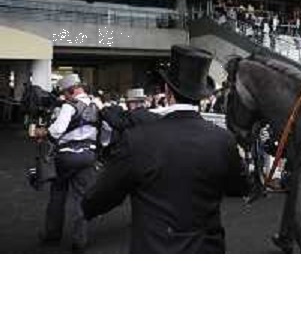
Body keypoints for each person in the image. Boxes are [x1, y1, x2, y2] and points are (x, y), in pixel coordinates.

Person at [82, 46, 249, 253]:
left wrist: (88, 207)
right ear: (201, 96)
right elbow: (238, 187)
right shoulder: (223, 140)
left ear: (168, 92)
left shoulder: (139, 139)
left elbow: (100, 197)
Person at [36, 73, 104, 253]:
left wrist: (43, 132)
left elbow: (57, 131)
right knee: (81, 198)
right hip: (88, 156)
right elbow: (105, 132)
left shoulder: (69, 106)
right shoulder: (97, 104)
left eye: (65, 93)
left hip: (66, 158)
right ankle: (79, 240)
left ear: (71, 90)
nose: (64, 97)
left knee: (58, 195)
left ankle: (52, 235)